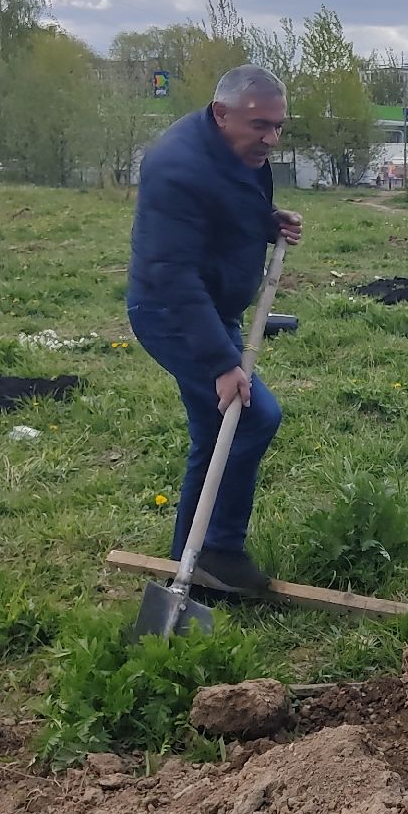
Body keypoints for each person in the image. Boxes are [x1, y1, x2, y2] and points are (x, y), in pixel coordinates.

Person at [126, 64, 303, 595]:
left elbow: (225, 208)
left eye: (278, 126)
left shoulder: (236, 149)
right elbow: (173, 274)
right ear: (221, 114)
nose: (271, 139)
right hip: (173, 313)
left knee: (214, 429)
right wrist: (222, 363)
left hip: (210, 307)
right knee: (251, 416)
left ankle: (193, 554)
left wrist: (265, 220)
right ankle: (219, 550)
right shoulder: (176, 166)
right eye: (260, 126)